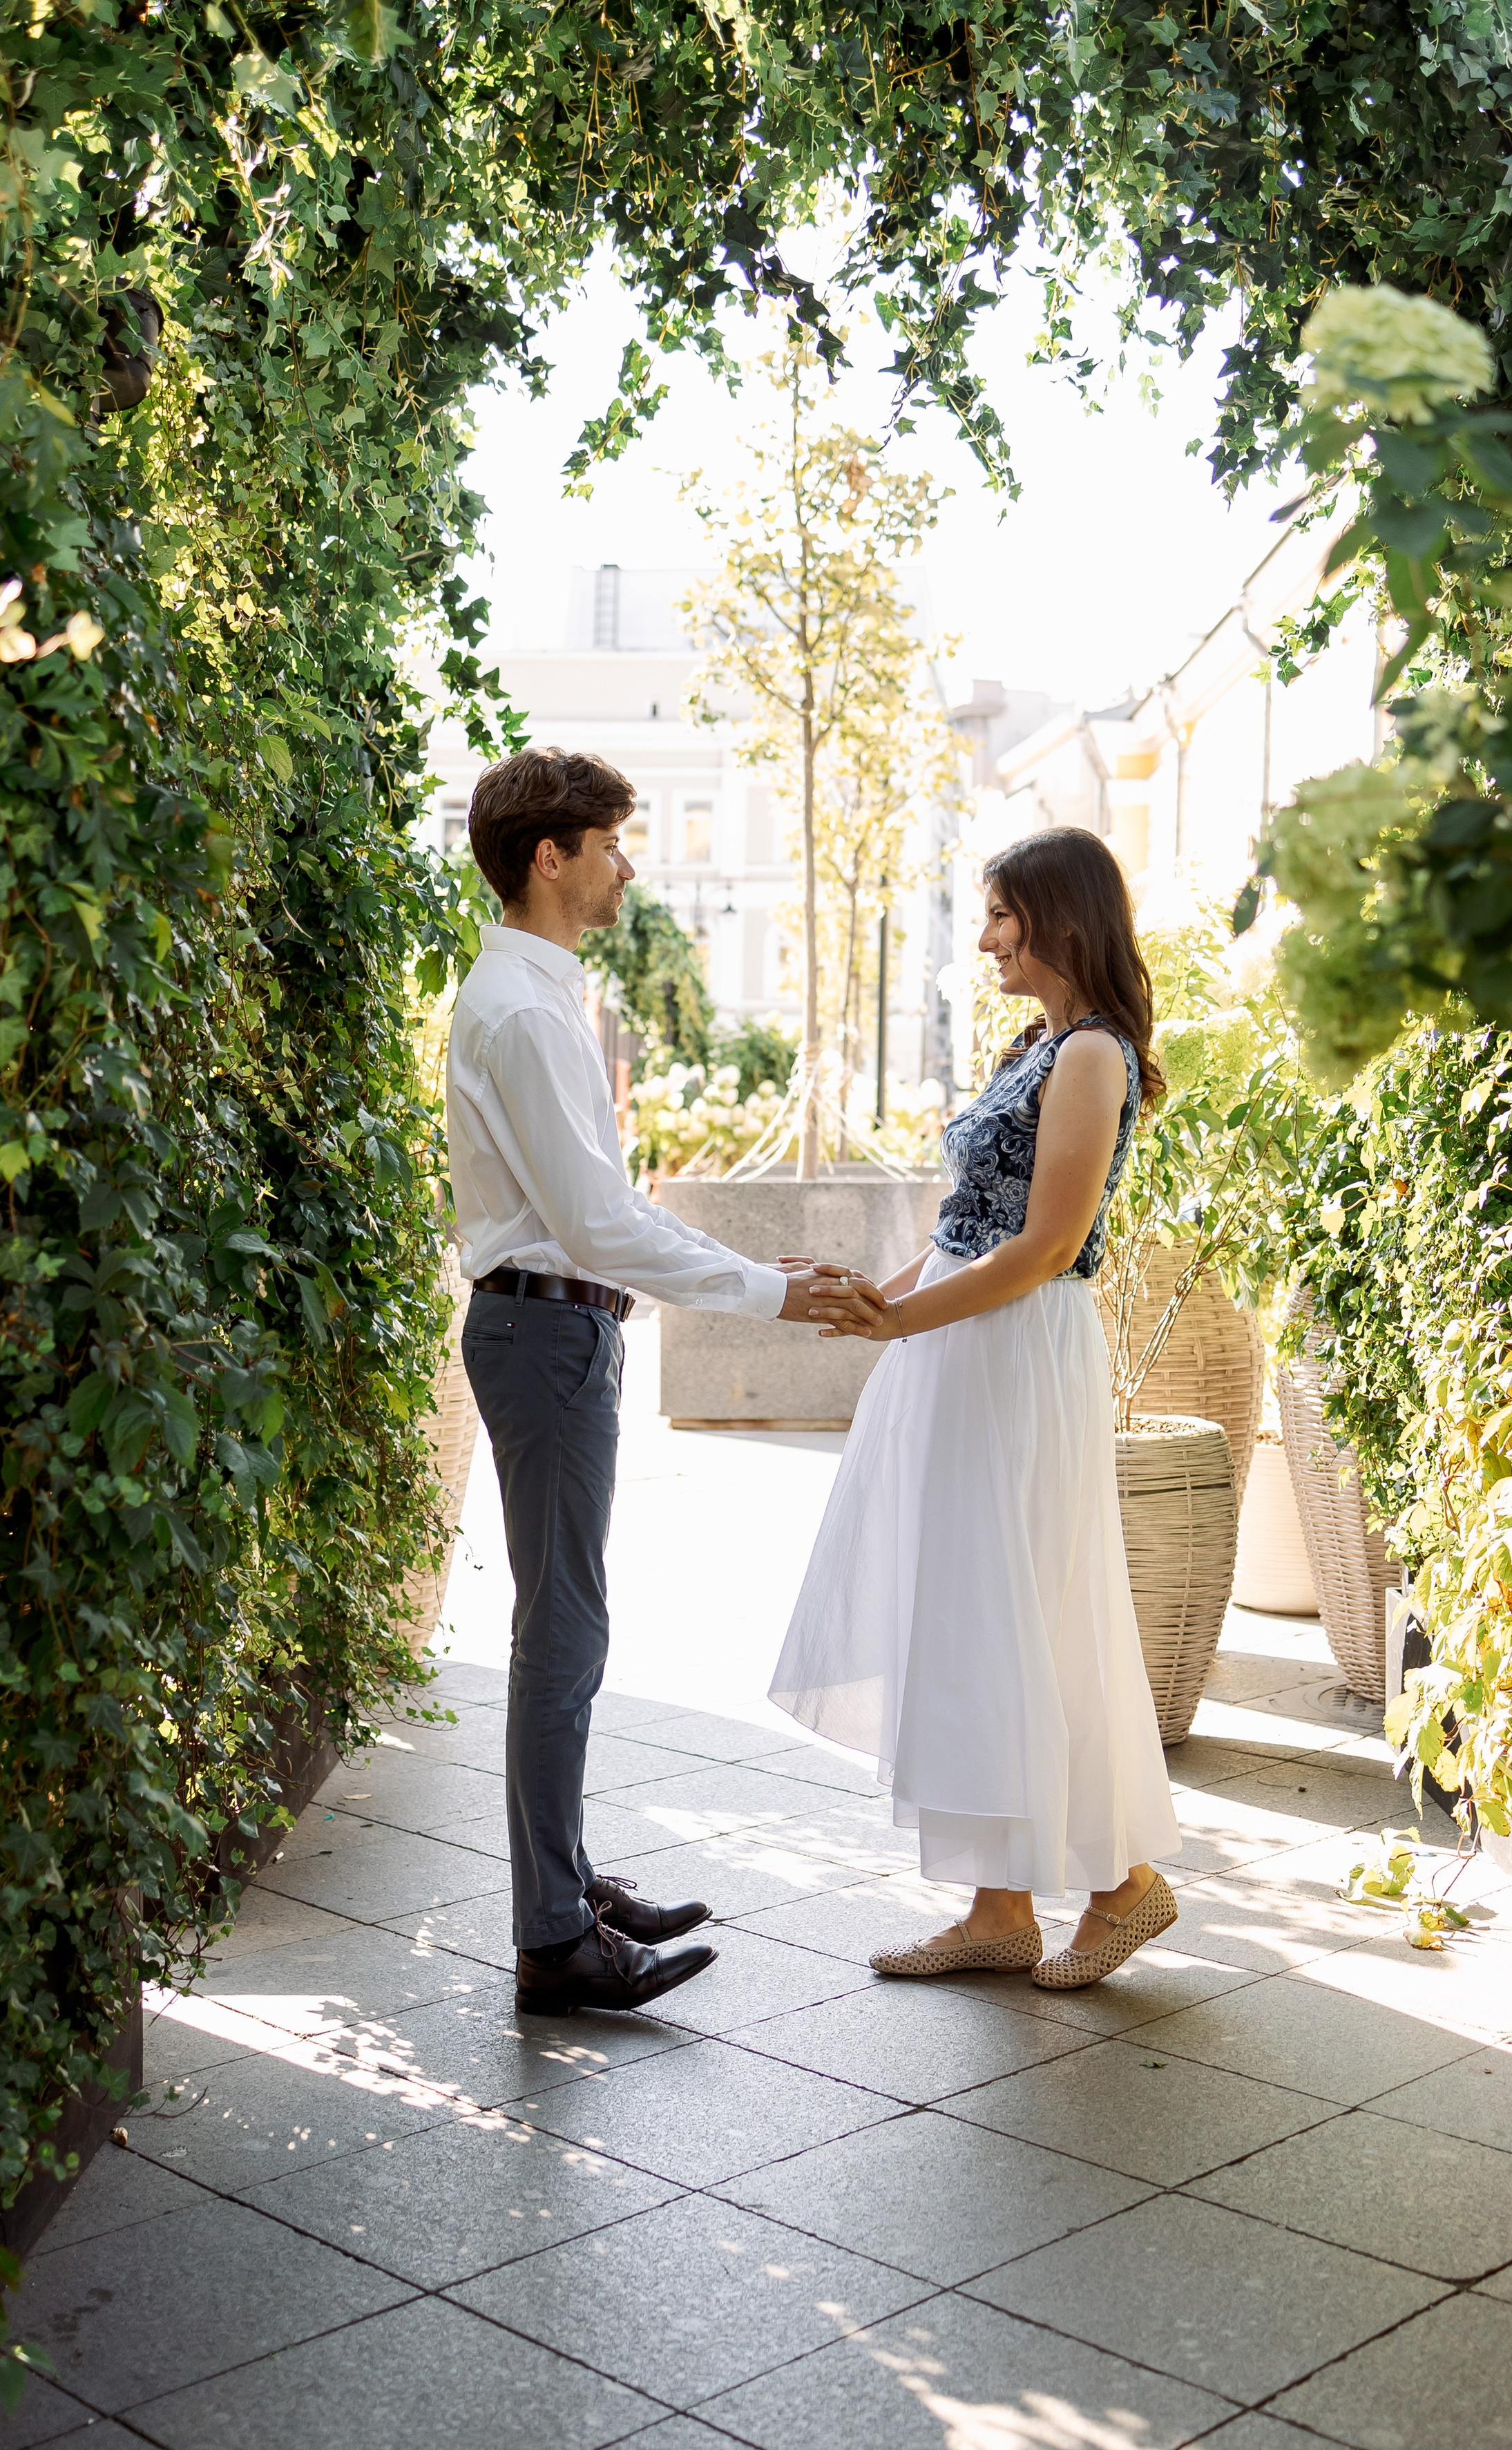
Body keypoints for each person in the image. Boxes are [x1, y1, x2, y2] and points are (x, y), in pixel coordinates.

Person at [446, 748, 870, 2020]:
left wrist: (748, 1267)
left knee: (565, 1628)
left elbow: (602, 1210)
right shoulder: (522, 1010)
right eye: (612, 843)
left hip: (555, 1331)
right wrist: (767, 1289)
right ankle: (554, 1938)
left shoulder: (539, 996)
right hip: (547, 1331)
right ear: (549, 857)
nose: (628, 864)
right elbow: (593, 1223)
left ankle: (565, 1886)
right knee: (562, 1637)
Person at [772, 826, 1184, 1988]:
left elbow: (1051, 1245)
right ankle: (998, 1906)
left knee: (1035, 1612)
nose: (988, 935)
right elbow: (964, 1223)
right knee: (965, 1616)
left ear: (1059, 918)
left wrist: (907, 1320)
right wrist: (875, 1298)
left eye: (1003, 913)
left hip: (1017, 1352)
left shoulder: (1093, 1054)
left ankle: (1126, 1883)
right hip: (962, 1343)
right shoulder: (1033, 1044)